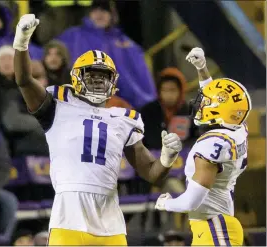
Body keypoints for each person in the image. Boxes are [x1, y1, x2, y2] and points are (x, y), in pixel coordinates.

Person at [13, 14, 182, 246]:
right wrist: (21, 44)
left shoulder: (123, 117)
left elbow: (151, 173)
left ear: (113, 82)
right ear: (76, 78)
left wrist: (167, 158)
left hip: (110, 223)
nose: (98, 82)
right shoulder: (59, 104)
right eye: (91, 76)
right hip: (68, 220)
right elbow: (23, 80)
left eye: (104, 77)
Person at [155, 47, 251, 246]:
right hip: (212, 226)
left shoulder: (211, 146)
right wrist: (202, 69)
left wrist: (166, 203)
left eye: (205, 103)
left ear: (216, 110)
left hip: (215, 228)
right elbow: (220, 100)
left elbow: (191, 201)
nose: (200, 105)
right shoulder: (237, 127)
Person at [57, 0, 157, 109]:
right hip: (77, 102)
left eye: (104, 10)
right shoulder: (72, 36)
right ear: (89, 13)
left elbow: (141, 83)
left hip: (117, 106)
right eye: (95, 10)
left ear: (112, 14)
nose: (99, 14)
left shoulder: (125, 44)